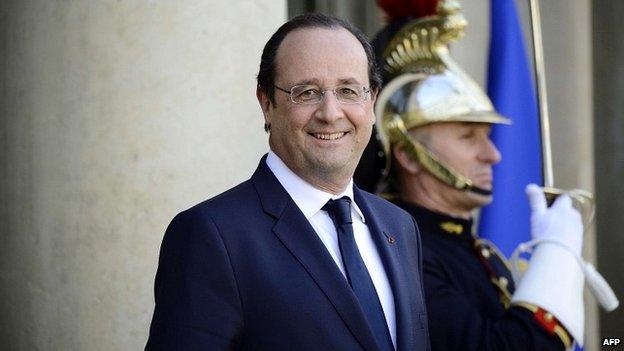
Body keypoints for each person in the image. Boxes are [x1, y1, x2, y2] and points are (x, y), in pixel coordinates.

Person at [145, 13, 430, 351]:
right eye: (307, 92)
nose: (331, 112)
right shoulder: (212, 235)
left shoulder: (399, 226)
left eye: (348, 90)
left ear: (371, 102)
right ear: (267, 104)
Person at [356, 1, 586, 350]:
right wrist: (557, 259)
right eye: (468, 136)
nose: (492, 154)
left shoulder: (476, 251)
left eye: (487, 136)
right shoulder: (404, 255)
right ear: (408, 156)